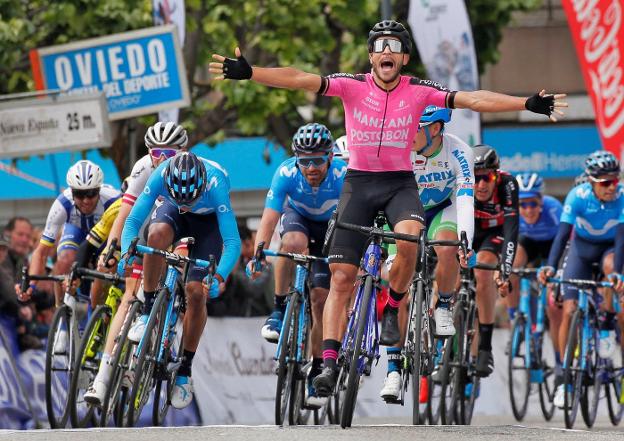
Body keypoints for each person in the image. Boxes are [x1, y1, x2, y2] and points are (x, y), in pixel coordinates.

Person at [210, 19, 567, 394]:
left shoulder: (418, 91)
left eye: (395, 47)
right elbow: (300, 78)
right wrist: (252, 73)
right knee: (341, 279)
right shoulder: (352, 85)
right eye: (380, 46)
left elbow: (473, 99)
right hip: (359, 185)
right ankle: (329, 364)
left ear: (405, 58)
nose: (387, 52)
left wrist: (525, 103)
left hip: (399, 184)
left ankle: (393, 306)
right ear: (370, 56)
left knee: (410, 241)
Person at [119, 152, 241, 409]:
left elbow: (232, 242)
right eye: (180, 197)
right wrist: (125, 253)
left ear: (202, 184)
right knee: (155, 235)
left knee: (196, 292)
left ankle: (184, 370)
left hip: (207, 223)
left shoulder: (216, 185)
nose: (186, 203)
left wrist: (219, 276)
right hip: (170, 211)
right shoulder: (161, 175)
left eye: (191, 198)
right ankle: (149, 306)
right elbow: (133, 221)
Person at [83, 122, 188, 406]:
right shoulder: (144, 167)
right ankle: (102, 379)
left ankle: (165, 334)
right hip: (148, 223)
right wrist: (113, 246)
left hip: (182, 223)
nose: (162, 159)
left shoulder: (192, 168)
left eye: (169, 153)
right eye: (157, 152)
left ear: (182, 151)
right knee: (130, 296)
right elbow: (126, 212)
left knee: (181, 275)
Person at [379, 105, 475, 401]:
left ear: (435, 128)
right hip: (405, 212)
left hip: (441, 210)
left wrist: (465, 242)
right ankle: (393, 369)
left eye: (415, 127)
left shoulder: (459, 152)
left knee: (448, 245)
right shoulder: (399, 148)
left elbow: (465, 199)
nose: (407, 133)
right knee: (396, 281)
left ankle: (443, 305)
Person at [247, 123, 346, 407]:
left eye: (317, 160)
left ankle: (318, 365)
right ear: (296, 160)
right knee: (290, 243)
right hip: (299, 218)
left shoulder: (342, 176)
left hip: (332, 227)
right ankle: (278, 309)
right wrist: (258, 252)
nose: (311, 168)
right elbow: (269, 217)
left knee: (319, 299)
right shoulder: (286, 173)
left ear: (330, 157)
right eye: (305, 161)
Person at [538, 150, 624, 408]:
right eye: (605, 183)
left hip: (611, 249)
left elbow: (621, 238)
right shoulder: (578, 196)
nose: (612, 187)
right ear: (591, 182)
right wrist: (551, 268)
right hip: (581, 251)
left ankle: (608, 321)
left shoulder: (621, 198)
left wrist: (618, 272)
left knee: (611, 267)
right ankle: (564, 380)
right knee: (569, 310)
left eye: (615, 181)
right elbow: (562, 235)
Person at [16, 160, 120, 308]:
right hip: (76, 231)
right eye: (79, 194)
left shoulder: (113, 199)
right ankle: (62, 315)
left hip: (104, 236)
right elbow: (41, 252)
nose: (85, 201)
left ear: (99, 189)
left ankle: (96, 315)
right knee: (65, 259)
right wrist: (31, 286)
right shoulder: (62, 204)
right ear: (71, 192)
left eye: (91, 194)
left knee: (104, 267)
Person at [471, 145, 519, 377]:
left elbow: (512, 231)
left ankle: (484, 348)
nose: (481, 185)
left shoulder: (508, 185)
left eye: (487, 177)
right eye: (476, 178)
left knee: (482, 269)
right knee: (444, 273)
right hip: (468, 231)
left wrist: (505, 269)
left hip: (494, 233)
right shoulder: (459, 183)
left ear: (496, 175)